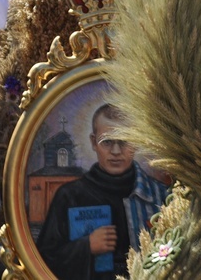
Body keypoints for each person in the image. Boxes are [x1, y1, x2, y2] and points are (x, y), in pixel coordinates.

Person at [36, 104, 168, 280]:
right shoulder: (69, 196)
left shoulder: (161, 196)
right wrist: (86, 246)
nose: (115, 151)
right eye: (107, 142)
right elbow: (43, 260)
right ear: (93, 142)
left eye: (124, 140)